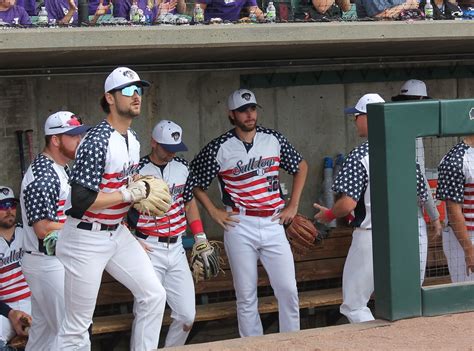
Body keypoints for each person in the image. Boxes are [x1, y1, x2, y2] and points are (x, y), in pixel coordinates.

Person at [55, 67, 166, 351]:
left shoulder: (133, 139)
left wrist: (139, 191)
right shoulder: (97, 139)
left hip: (115, 233)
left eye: (139, 90)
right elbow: (80, 200)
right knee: (76, 328)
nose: (136, 96)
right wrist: (127, 192)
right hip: (85, 238)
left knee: (153, 296)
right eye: (129, 91)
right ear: (110, 98)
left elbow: (124, 189)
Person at [189, 89, 308, 337]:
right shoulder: (219, 147)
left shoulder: (273, 139)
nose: (249, 114)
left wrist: (293, 205)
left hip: (274, 220)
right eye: (243, 110)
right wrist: (213, 211)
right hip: (239, 223)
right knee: (245, 295)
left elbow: (301, 166)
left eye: (252, 108)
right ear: (232, 115)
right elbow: (193, 181)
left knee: (288, 290)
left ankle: (292, 342)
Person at [314, 93, 429, 323]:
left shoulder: (359, 156)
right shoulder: (404, 149)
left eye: (357, 116)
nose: (355, 120)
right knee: (407, 303)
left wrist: (328, 214)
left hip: (371, 237)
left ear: (369, 117)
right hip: (408, 237)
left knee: (354, 305)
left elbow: (347, 204)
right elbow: (421, 195)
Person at [127, 120, 207, 347]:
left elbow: (189, 203)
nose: (172, 153)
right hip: (148, 246)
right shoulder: (137, 171)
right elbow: (120, 210)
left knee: (186, 315)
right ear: (153, 142)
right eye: (167, 148)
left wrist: (200, 235)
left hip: (177, 247)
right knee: (146, 311)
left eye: (175, 148)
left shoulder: (183, 166)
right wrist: (131, 240)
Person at [20, 111, 89, 351]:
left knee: (44, 336)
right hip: (47, 263)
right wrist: (86, 228)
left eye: (80, 134)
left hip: (53, 262)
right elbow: (42, 228)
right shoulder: (43, 175)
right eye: (73, 135)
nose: (79, 140)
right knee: (74, 337)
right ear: (56, 139)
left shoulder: (62, 169)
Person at [392, 79, 443, 284]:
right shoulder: (411, 133)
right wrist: (435, 216)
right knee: (413, 281)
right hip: (410, 217)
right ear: (421, 101)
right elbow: (419, 180)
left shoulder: (391, 125)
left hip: (389, 217)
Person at [436, 137, 474, 283]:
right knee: (467, 296)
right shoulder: (455, 159)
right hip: (466, 238)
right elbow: (453, 211)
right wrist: (468, 250)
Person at [0, 187, 32, 348]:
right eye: (2, 206)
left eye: (11, 205)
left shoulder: (28, 233)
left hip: (34, 302)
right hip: (4, 309)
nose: (8, 210)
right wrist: (10, 313)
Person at [195, 0, 264, 22]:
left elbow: (254, 10)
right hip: (210, 28)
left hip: (232, 29)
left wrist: (249, 19)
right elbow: (198, 10)